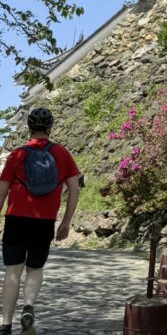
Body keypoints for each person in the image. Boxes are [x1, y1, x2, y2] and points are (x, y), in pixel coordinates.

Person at [0, 108, 80, 334]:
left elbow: (2, 191)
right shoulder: (62, 154)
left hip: (16, 219)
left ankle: (6, 324)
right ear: (50, 128)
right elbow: (74, 190)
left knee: (13, 271)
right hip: (43, 221)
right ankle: (28, 307)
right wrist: (65, 222)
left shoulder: (17, 155)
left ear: (29, 128)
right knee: (35, 268)